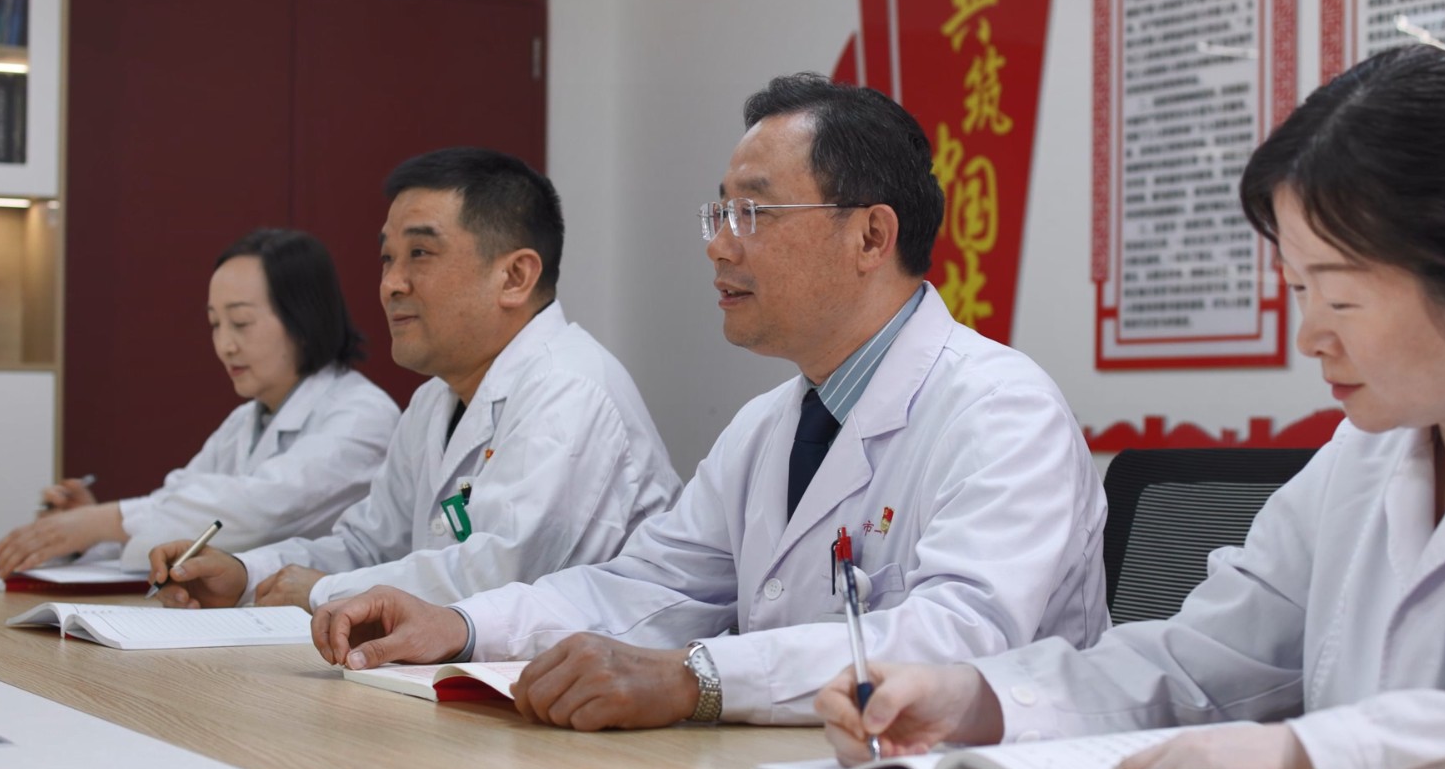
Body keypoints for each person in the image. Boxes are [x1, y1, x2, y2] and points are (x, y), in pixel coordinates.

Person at [815, 45, 1445, 769]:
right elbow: (1197, 662)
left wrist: (1309, 758)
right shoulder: (1362, 460)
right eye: (1298, 290)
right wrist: (975, 700)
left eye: (1343, 299)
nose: (1311, 336)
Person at [310, 73, 1107, 730]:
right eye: (719, 213)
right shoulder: (768, 426)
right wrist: (462, 625)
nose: (718, 244)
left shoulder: (1001, 410)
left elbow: (960, 638)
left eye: (752, 212)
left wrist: (698, 677)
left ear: (870, 237)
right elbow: (649, 586)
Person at [147, 148, 681, 612]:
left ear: (514, 277)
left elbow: (498, 577)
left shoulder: (569, 388)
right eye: (387, 257)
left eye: (420, 254)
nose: (391, 284)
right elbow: (367, 545)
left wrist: (324, 592)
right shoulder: (433, 402)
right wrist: (245, 574)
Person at [0, 228, 399, 575]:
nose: (225, 345)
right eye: (215, 324)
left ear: (304, 319)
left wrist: (104, 521)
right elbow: (176, 507)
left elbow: (261, 509)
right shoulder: (244, 422)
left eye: (240, 323)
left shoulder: (363, 414)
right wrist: (86, 531)